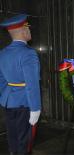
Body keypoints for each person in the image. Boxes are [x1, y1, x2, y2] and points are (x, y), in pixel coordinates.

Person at [0, 14, 41, 155]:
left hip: (8, 102)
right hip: (25, 104)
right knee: (25, 143)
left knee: (13, 140)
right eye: (28, 28)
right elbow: (32, 84)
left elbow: (1, 80)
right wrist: (36, 109)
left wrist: (7, 95)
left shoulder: (3, 53)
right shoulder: (29, 53)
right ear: (23, 31)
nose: (30, 31)